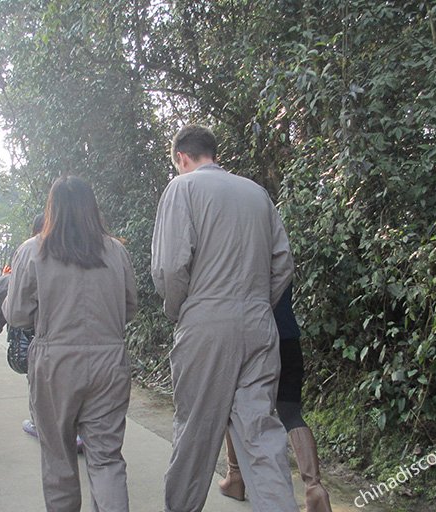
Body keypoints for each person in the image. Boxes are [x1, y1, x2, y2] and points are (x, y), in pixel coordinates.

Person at [151, 125, 298, 512]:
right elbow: (283, 262)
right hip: (259, 324)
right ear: (212, 152)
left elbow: (169, 268)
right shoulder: (256, 194)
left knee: (196, 433)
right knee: (261, 435)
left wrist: (180, 309)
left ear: (182, 157)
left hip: (206, 321)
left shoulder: (182, 189)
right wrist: (257, 304)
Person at [3, 176, 137, 511]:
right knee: (106, 459)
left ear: (53, 209)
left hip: (55, 363)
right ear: (92, 209)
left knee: (59, 459)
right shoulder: (116, 251)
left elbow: (17, 314)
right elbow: (130, 307)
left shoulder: (33, 250)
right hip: (109, 361)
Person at [219, 283, 333, 511]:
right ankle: (314, 488)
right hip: (289, 338)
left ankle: (236, 477)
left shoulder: (247, 254)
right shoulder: (280, 249)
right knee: (291, 413)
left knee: (232, 405)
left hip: (257, 337)